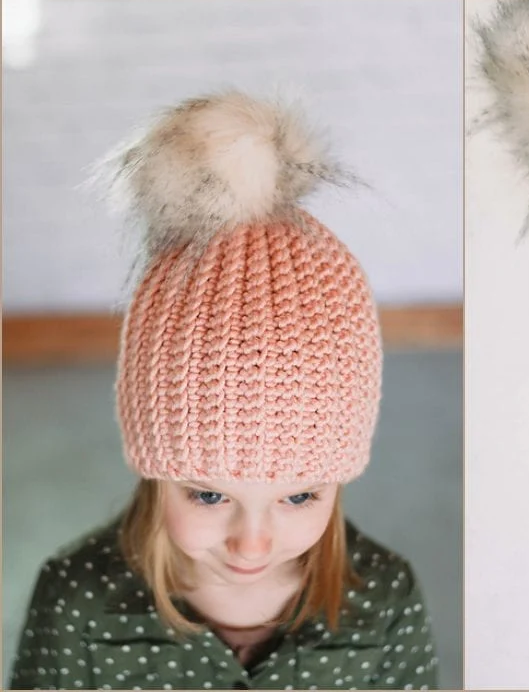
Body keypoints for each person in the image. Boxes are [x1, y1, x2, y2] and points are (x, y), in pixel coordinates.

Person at [9, 91, 439, 690]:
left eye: (300, 496)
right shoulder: (75, 602)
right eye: (209, 496)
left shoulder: (386, 600)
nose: (252, 542)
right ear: (153, 463)